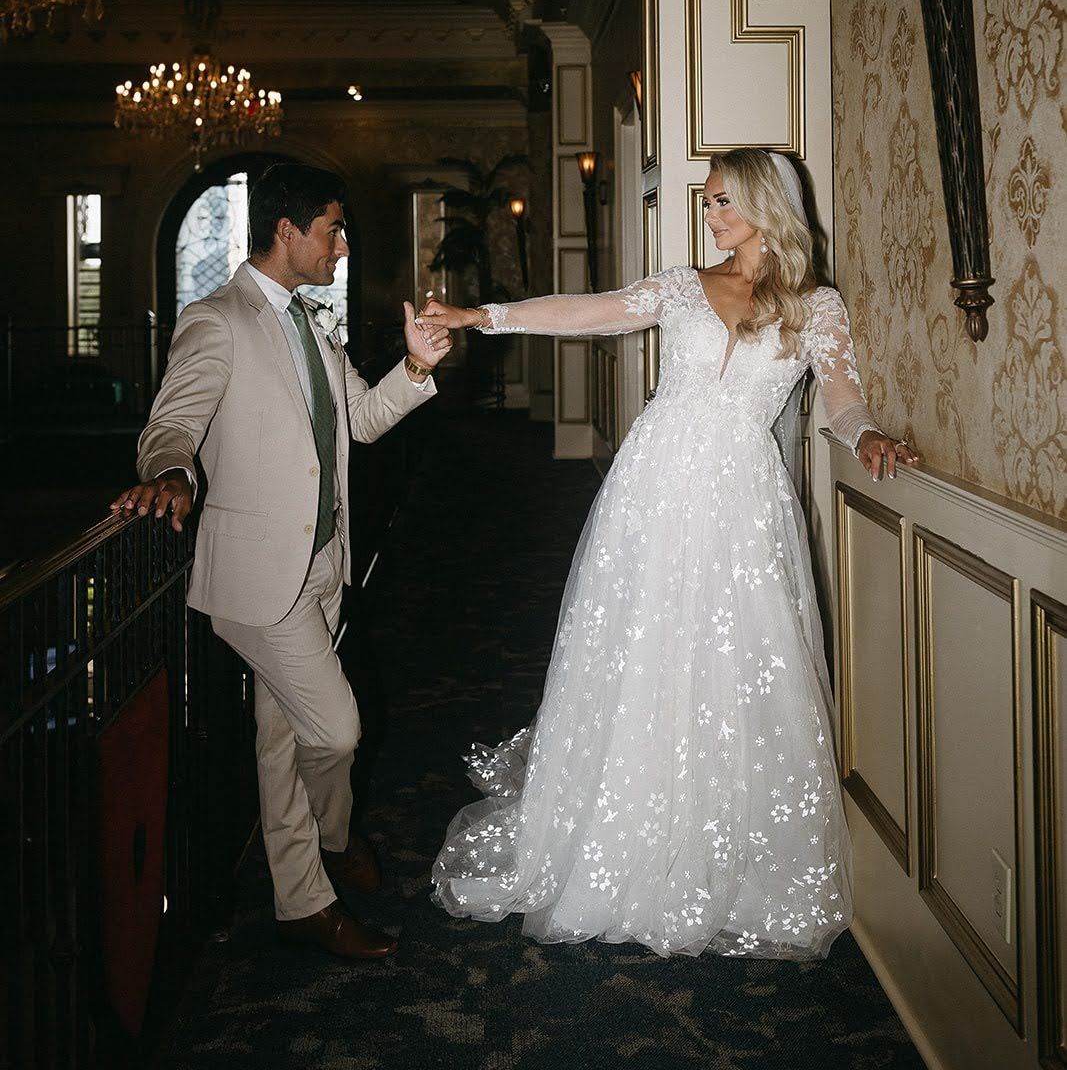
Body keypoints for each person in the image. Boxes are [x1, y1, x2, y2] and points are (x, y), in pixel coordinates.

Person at [419, 147, 918, 959]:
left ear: (763, 204)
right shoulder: (684, 285)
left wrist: (867, 438)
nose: (711, 217)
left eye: (723, 201)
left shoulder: (816, 304)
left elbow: (841, 399)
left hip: (743, 498)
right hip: (651, 487)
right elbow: (590, 311)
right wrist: (486, 317)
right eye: (709, 202)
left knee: (737, 657)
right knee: (640, 643)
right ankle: (619, 815)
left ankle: (722, 838)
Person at [110, 163, 452, 961]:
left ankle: (301, 903)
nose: (341, 243)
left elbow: (363, 422)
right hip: (260, 579)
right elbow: (172, 425)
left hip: (322, 566)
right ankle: (331, 842)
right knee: (333, 731)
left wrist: (417, 368)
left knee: (281, 740)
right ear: (288, 230)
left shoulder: (310, 322)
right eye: (332, 228)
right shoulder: (217, 319)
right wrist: (170, 473)